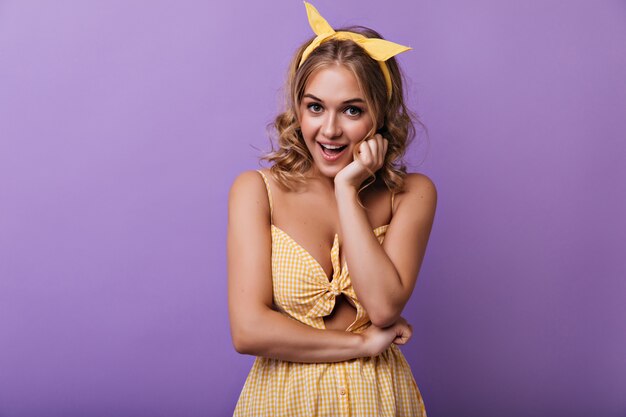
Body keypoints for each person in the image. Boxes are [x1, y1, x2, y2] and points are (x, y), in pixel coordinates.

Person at [227, 3, 437, 416]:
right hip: (281, 401)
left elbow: (383, 307)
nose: (330, 129)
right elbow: (248, 330)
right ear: (298, 109)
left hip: (377, 401)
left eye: (353, 110)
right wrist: (361, 344)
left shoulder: (411, 194)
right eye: (315, 107)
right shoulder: (256, 191)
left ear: (380, 115)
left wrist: (346, 189)